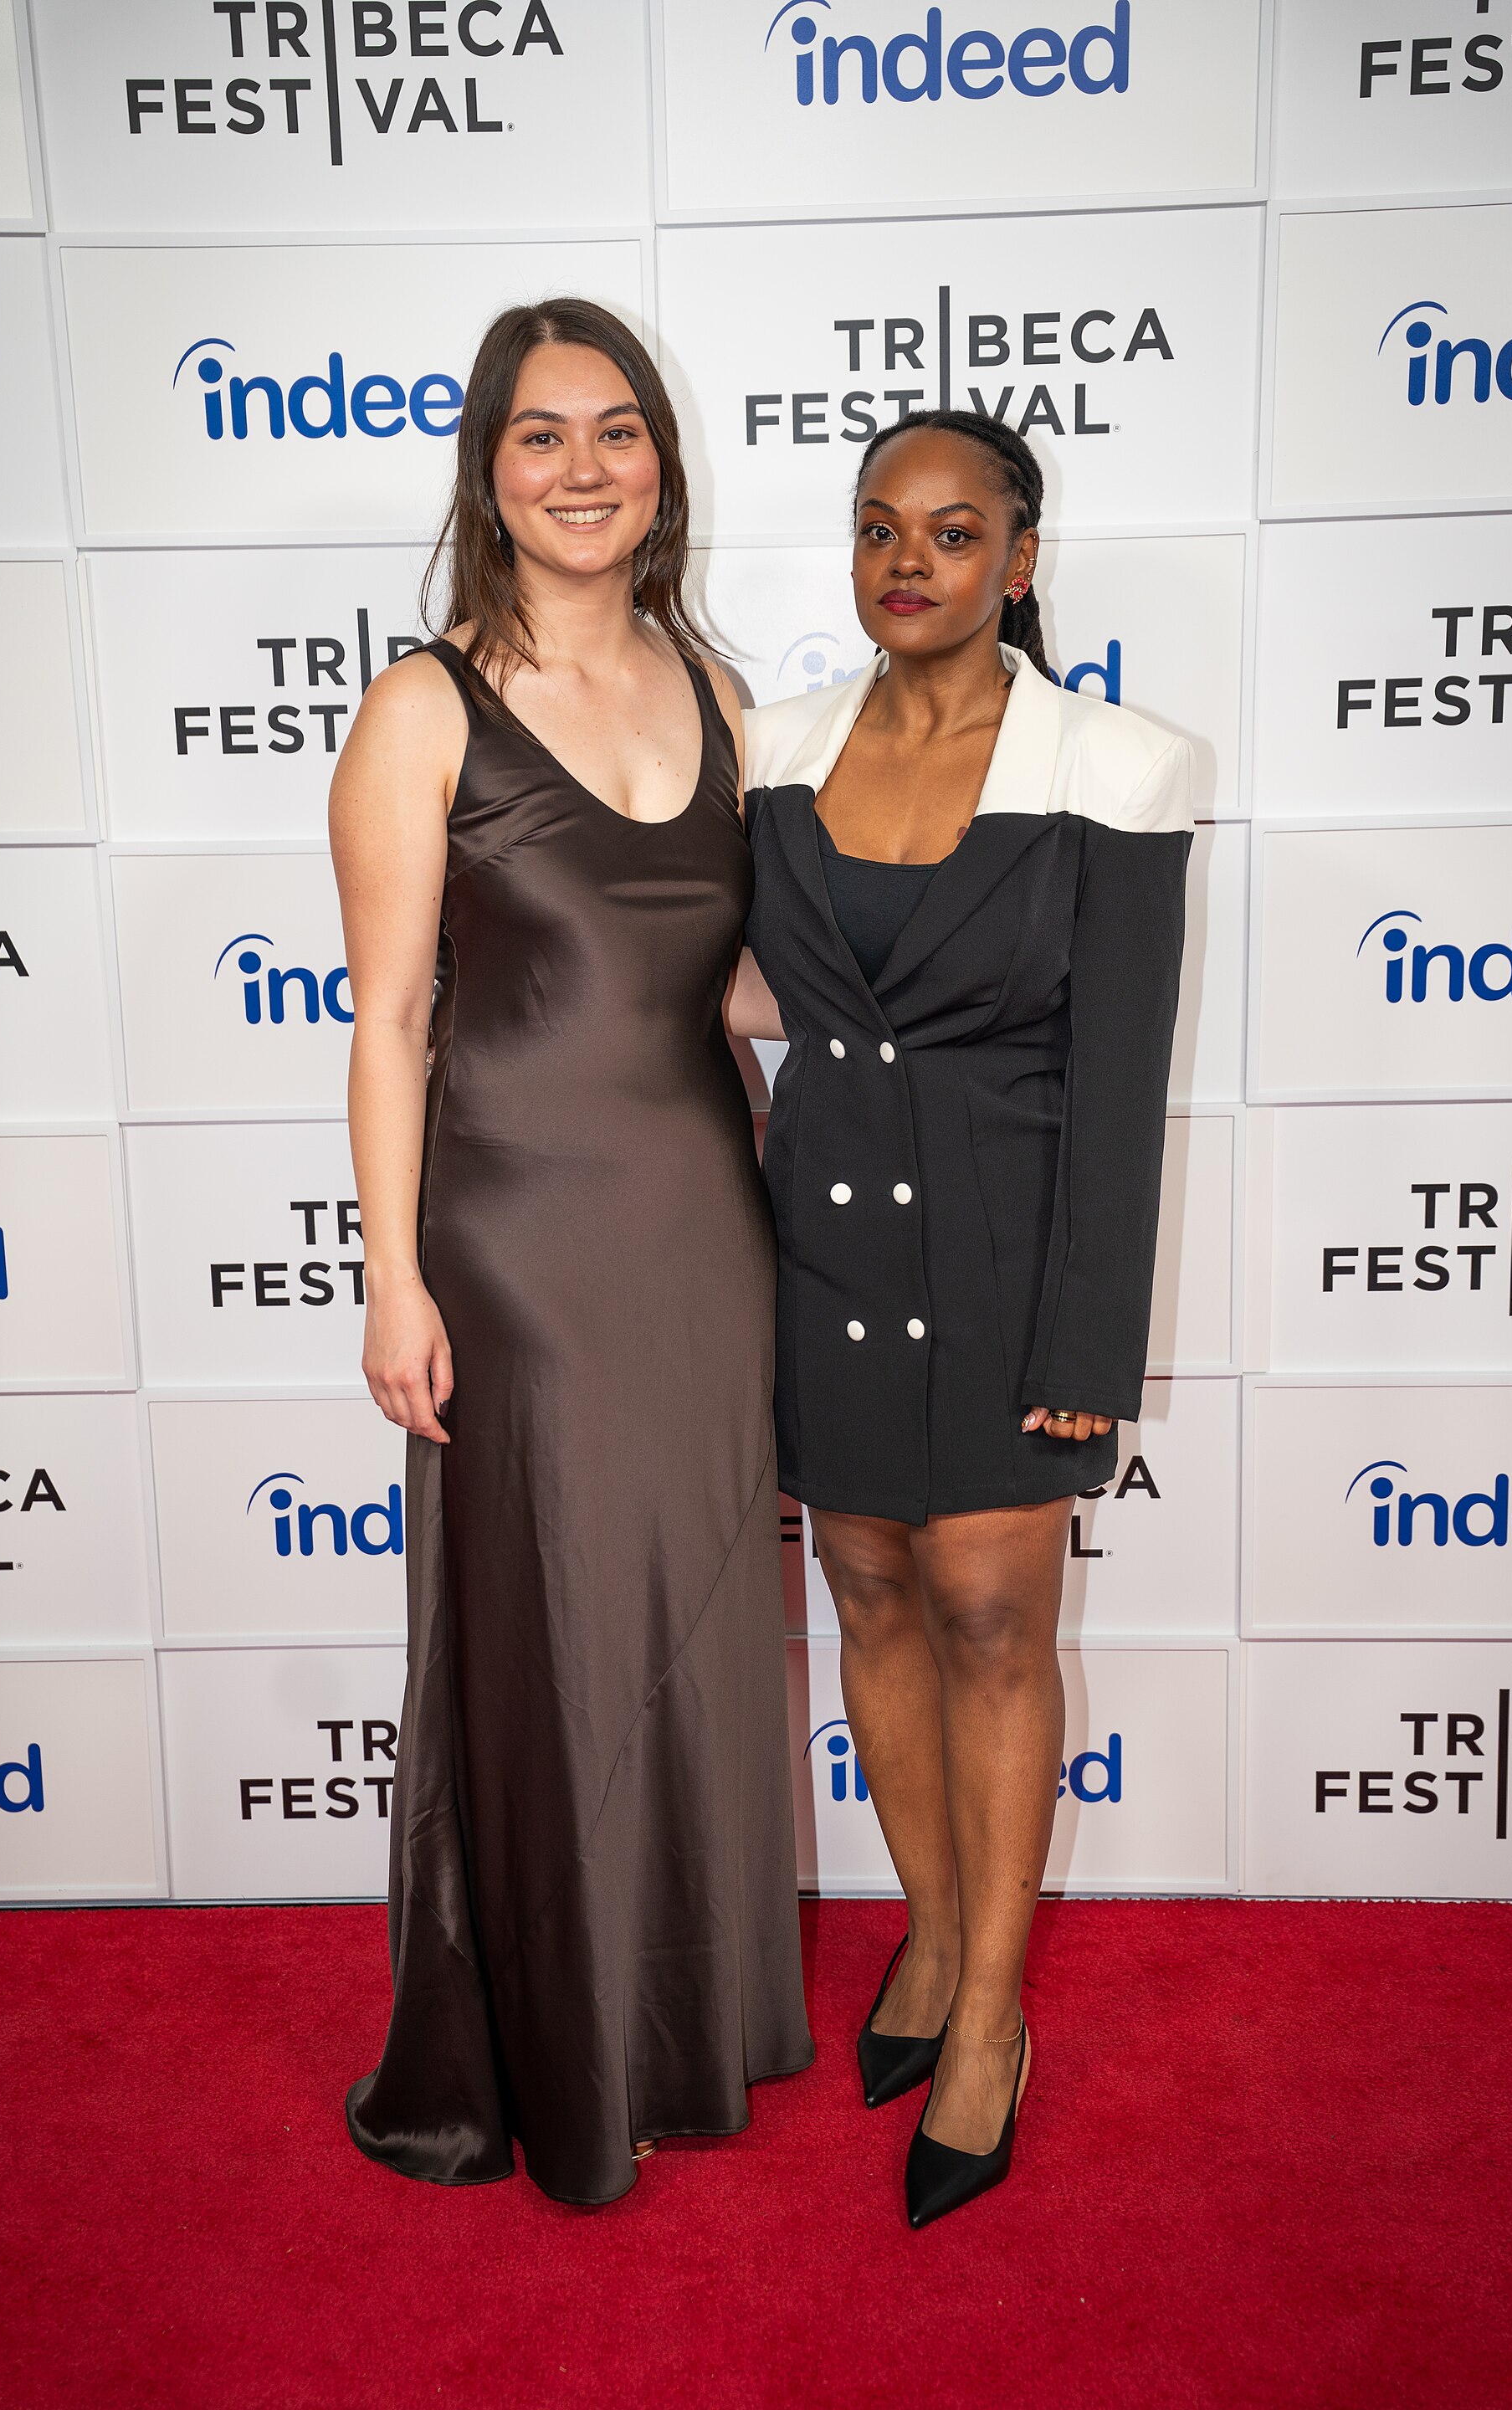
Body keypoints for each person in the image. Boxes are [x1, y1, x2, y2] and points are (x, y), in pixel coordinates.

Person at [332, 298, 812, 2207]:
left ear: (662, 464)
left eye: (618, 431)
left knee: (696, 1627)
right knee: (545, 1643)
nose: (587, 468)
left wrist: (950, 987)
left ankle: (683, 2022)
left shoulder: (709, 684)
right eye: (543, 437)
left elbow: (729, 981)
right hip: (514, 1239)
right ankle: (551, 2047)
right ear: (489, 470)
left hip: (707, 1224)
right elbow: (387, 1020)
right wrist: (391, 1277)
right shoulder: (424, 702)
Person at [731, 410, 1192, 2228]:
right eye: (874, 528)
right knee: (865, 1592)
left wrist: (1087, 1350)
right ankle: (929, 1936)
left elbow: (1123, 1076)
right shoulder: (773, 752)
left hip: (1012, 1257)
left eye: (950, 530)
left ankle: (988, 2023)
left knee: (995, 1614)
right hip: (826, 1249)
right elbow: (733, 987)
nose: (904, 559)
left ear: (1022, 559)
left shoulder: (1117, 768)